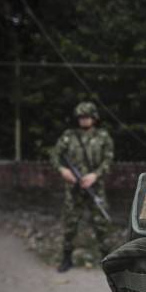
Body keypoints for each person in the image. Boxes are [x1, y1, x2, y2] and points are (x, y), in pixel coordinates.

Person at [50, 101, 114, 272]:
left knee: (101, 223)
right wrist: (63, 170)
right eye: (81, 117)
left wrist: (95, 175)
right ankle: (66, 258)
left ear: (94, 118)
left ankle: (108, 259)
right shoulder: (68, 136)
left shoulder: (103, 137)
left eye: (87, 117)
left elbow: (108, 161)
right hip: (74, 188)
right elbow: (55, 155)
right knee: (70, 223)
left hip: (95, 187)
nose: (83, 120)